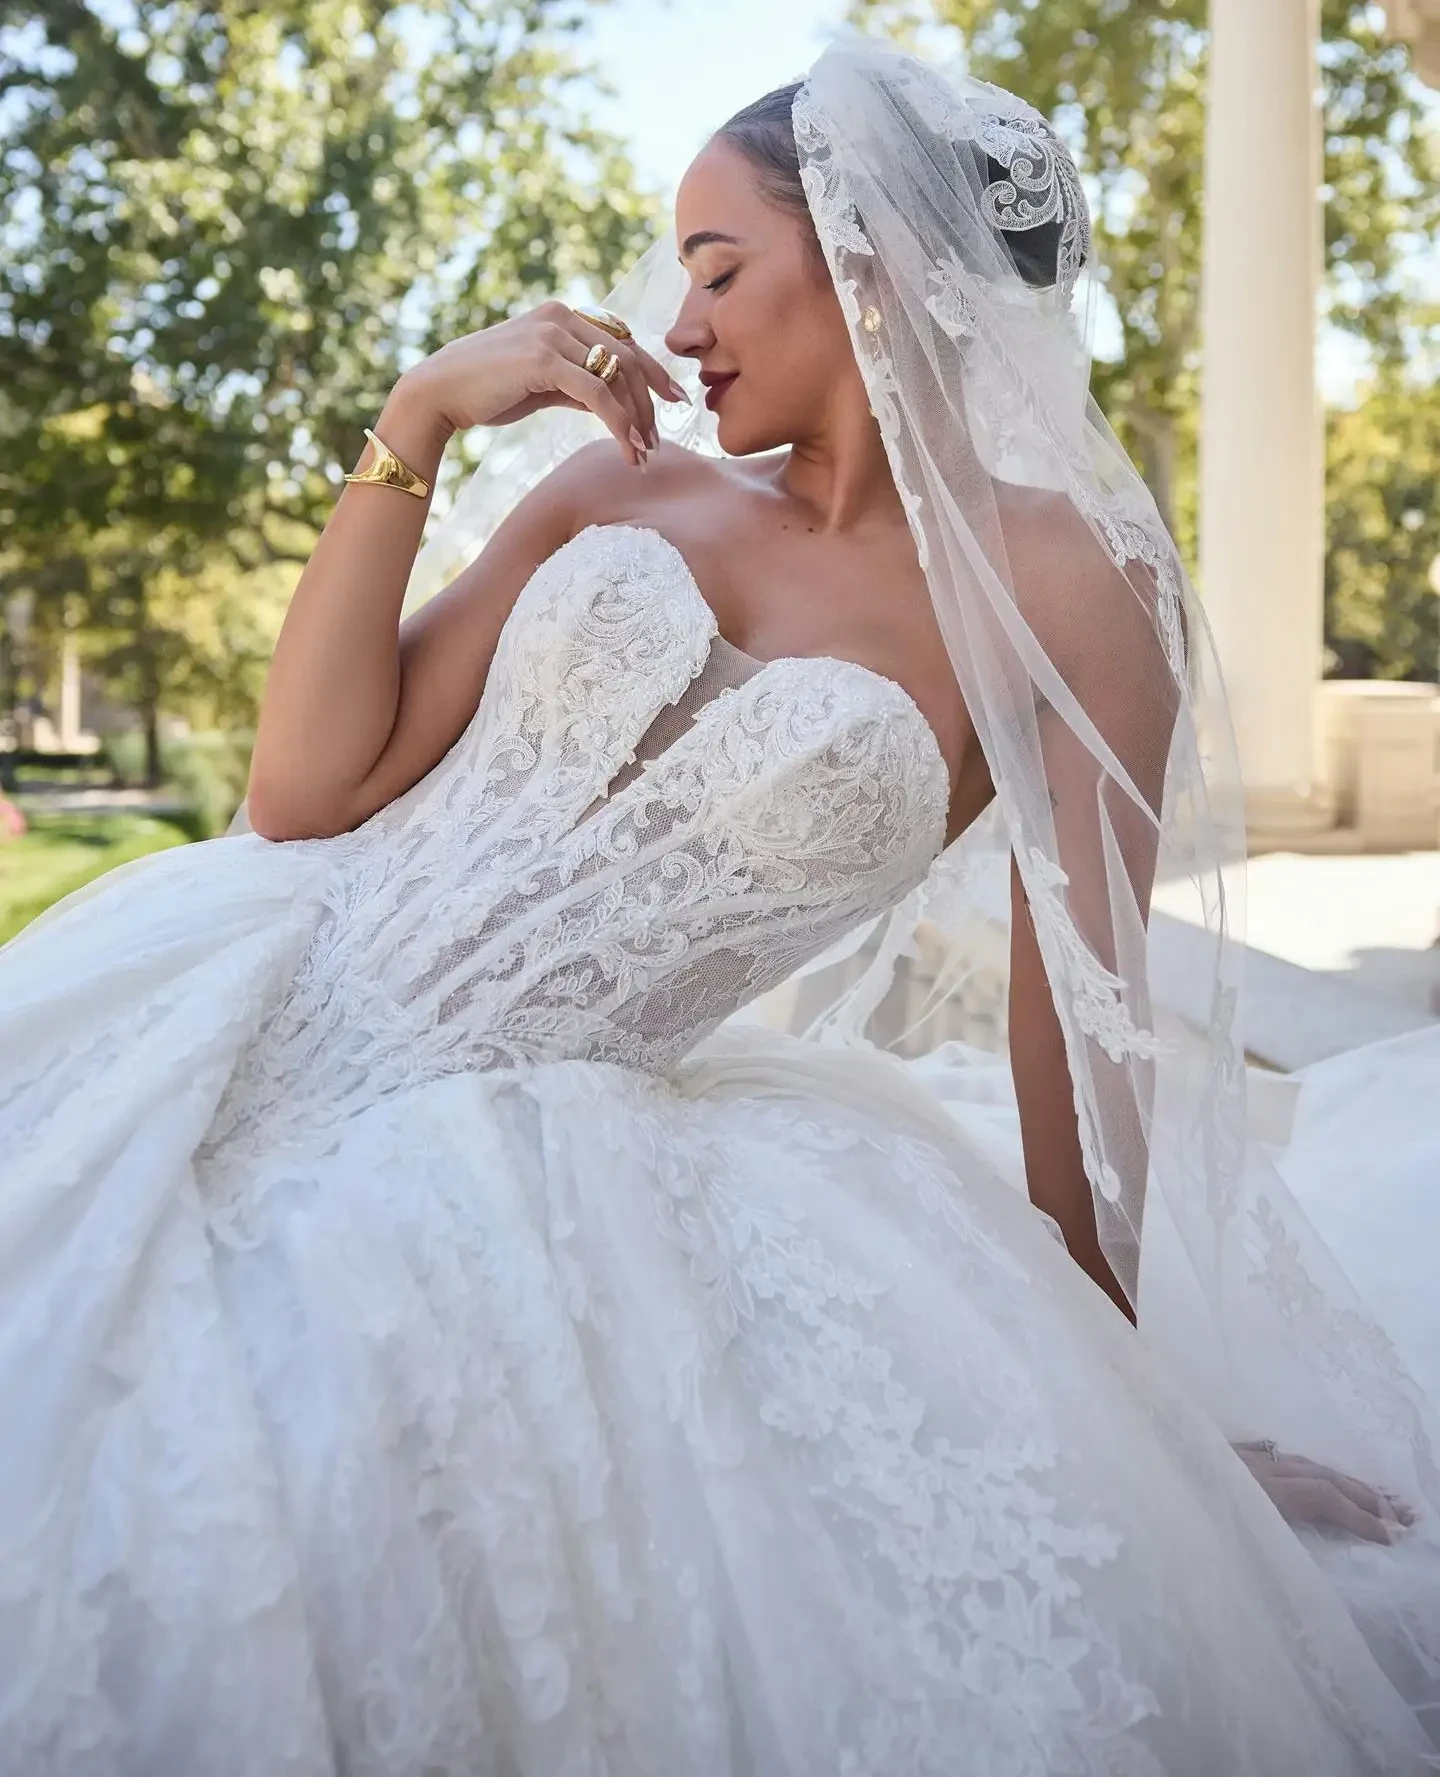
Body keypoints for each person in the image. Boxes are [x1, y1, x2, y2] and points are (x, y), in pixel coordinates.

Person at [1, 33, 1437, 1775]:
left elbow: (1085, 1013)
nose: (674, 325)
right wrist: (418, 418)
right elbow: (305, 797)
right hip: (234, 1001)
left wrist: (1138, 1419)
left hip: (547, 1155)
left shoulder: (1072, 590)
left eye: (716, 266)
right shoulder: (621, 481)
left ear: (875, 262)